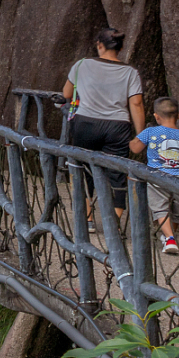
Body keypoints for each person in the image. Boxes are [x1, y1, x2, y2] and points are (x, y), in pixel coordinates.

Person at [61, 27, 146, 219]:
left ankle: (88, 218)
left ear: (99, 45)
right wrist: (140, 136)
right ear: (120, 47)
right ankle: (113, 222)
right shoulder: (130, 72)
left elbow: (67, 94)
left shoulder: (81, 65)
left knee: (83, 168)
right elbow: (136, 103)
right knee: (117, 172)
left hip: (86, 123)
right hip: (118, 126)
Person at [130, 97, 179, 255]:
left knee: (160, 207)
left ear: (156, 116)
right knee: (177, 210)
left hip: (157, 176)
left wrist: (134, 140)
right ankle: (169, 236)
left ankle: (170, 239)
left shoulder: (151, 132)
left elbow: (135, 148)